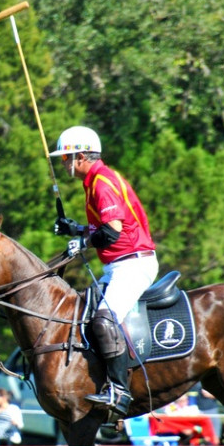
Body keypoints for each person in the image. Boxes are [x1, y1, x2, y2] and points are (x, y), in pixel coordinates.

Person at [50, 125, 158, 416]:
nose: (64, 164)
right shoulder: (95, 181)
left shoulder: (102, 183)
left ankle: (120, 392)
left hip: (133, 263)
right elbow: (104, 228)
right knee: (84, 317)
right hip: (119, 264)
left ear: (81, 156)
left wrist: (81, 243)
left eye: (66, 158)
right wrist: (78, 230)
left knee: (104, 319)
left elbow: (112, 231)